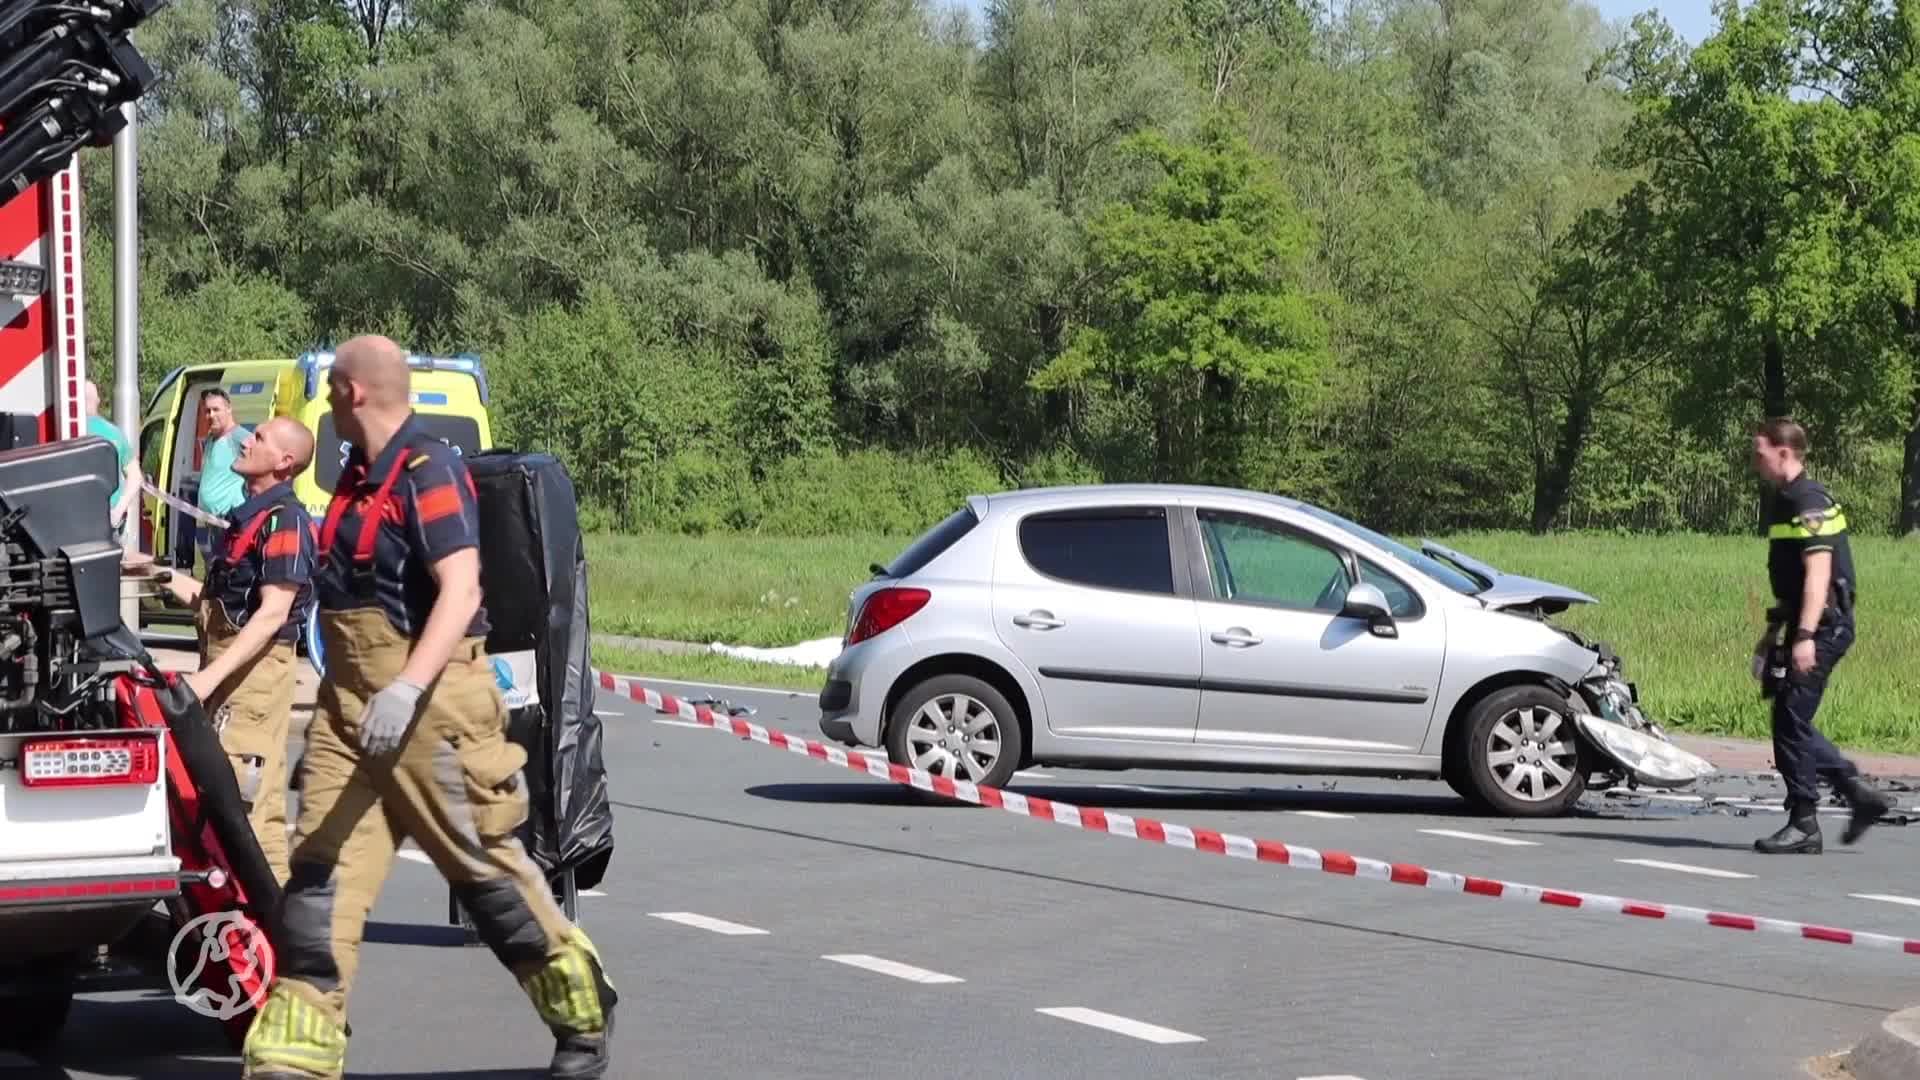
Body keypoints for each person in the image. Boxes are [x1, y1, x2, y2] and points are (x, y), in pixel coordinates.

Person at [241, 335, 615, 1080]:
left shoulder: (429, 469)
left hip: (433, 708)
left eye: (330, 394)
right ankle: (293, 1060)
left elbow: (462, 590)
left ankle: (583, 1013)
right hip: (350, 715)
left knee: (487, 878)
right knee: (318, 886)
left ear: (352, 394)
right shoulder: (351, 476)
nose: (323, 412)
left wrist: (407, 685)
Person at [158, 417, 318, 885]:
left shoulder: (285, 521)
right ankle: (266, 934)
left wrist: (206, 681)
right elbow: (217, 604)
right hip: (234, 679)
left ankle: (273, 937)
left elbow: (271, 615)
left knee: (244, 805)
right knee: (241, 807)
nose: (247, 439)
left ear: (285, 462)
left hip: (254, 681)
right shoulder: (249, 516)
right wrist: (153, 573)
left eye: (261, 438)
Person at [1747, 417, 1893, 854]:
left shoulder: (1808, 500)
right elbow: (1790, 581)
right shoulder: (1784, 500)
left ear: (1784, 453)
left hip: (1825, 624)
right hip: (1804, 621)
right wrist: (1773, 633)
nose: (1756, 462)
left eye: (1760, 453)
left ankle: (1806, 822)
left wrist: (1807, 636)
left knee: (1791, 717)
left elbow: (1817, 576)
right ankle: (1856, 794)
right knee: (1789, 717)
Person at [83, 380, 140, 532]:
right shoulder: (115, 433)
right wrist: (118, 510)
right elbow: (135, 477)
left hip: (79, 516)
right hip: (111, 516)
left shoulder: (69, 432)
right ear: (98, 401)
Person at [196, 388, 248, 547]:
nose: (211, 415)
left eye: (216, 409)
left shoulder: (240, 437)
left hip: (228, 522)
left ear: (228, 408)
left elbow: (262, 468)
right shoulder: (211, 439)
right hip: (209, 524)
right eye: (207, 411)